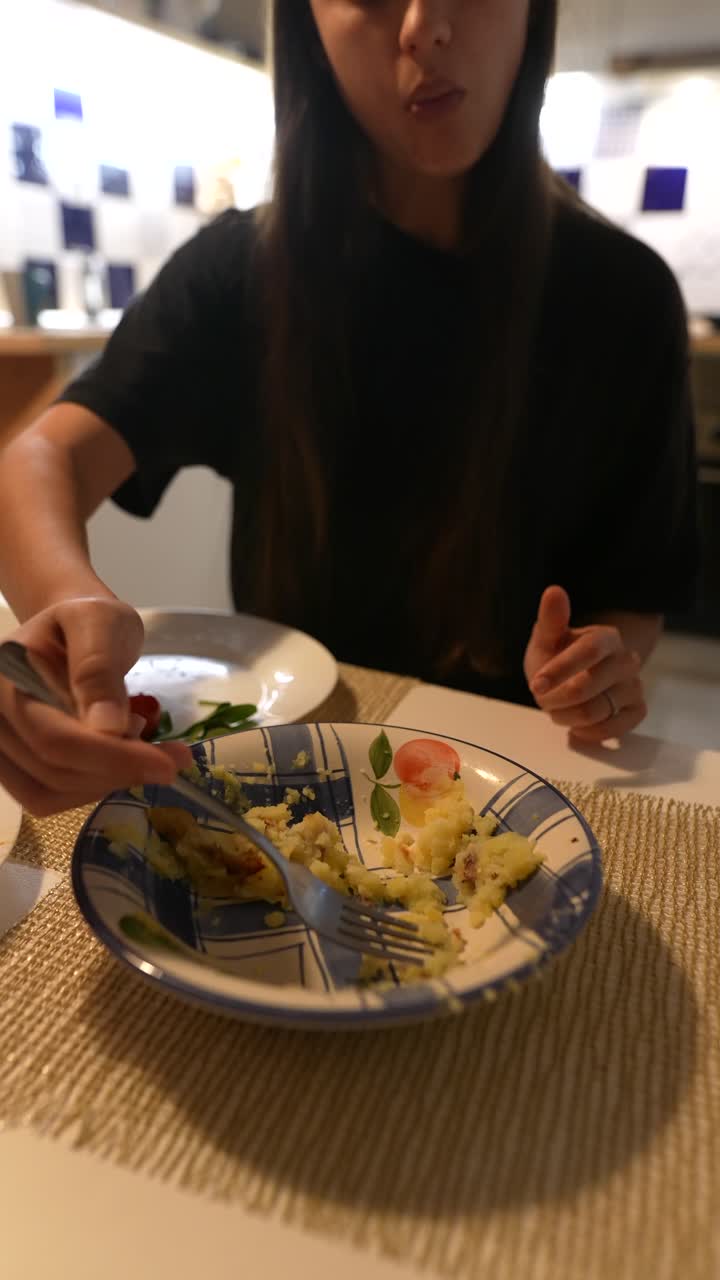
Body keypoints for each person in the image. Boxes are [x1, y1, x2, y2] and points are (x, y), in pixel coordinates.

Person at [0, 0, 698, 816]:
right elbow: (40, 458)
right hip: (283, 779)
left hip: (520, 780)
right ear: (307, 28)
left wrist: (600, 667)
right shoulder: (241, 274)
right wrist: (64, 606)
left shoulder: (626, 297)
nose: (424, 27)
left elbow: (636, 593)